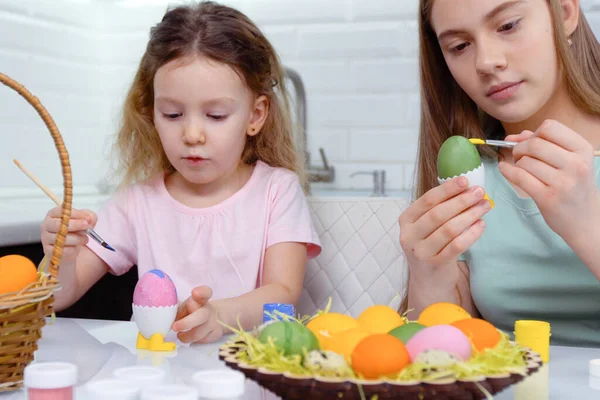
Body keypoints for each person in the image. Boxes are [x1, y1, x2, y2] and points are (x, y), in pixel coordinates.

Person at [40, 1, 321, 345]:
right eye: (173, 114)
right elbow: (56, 298)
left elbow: (284, 294)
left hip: (248, 372)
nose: (192, 135)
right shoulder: (138, 201)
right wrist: (60, 258)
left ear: (255, 115)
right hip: (159, 374)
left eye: (216, 115)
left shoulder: (277, 190)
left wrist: (218, 315)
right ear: (152, 113)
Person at [399, 0, 600, 347]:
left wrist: (587, 226)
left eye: (508, 26)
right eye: (459, 46)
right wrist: (429, 274)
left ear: (566, 12)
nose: (486, 62)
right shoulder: (470, 175)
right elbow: (440, 354)